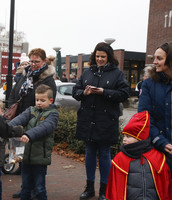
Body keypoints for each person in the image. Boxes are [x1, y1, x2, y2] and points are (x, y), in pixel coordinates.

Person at [72, 42, 129, 200]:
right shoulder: (87, 72)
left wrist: (104, 92)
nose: (99, 59)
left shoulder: (117, 73)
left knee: (104, 154)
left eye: (103, 57)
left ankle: (105, 190)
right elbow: (75, 92)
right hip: (87, 119)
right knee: (89, 153)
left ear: (109, 57)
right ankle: (89, 188)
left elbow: (124, 93)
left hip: (106, 120)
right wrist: (84, 92)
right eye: (97, 56)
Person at [7, 48, 56, 198]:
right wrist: (9, 112)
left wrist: (38, 105)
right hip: (22, 116)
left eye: (37, 61)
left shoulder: (48, 79)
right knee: (21, 155)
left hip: (35, 120)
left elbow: (48, 101)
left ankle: (35, 189)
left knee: (34, 163)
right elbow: (14, 92)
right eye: (31, 61)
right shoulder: (24, 74)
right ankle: (25, 188)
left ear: (43, 62)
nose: (33, 64)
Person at [106, 111, 172, 200]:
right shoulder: (120, 159)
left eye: (128, 137)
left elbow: (165, 186)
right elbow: (115, 189)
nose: (124, 140)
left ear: (139, 138)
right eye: (124, 136)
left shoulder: (157, 157)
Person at [138, 42, 172, 176]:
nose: (154, 62)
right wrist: (161, 141)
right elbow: (144, 116)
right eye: (154, 58)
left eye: (159, 58)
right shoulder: (148, 84)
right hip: (159, 150)